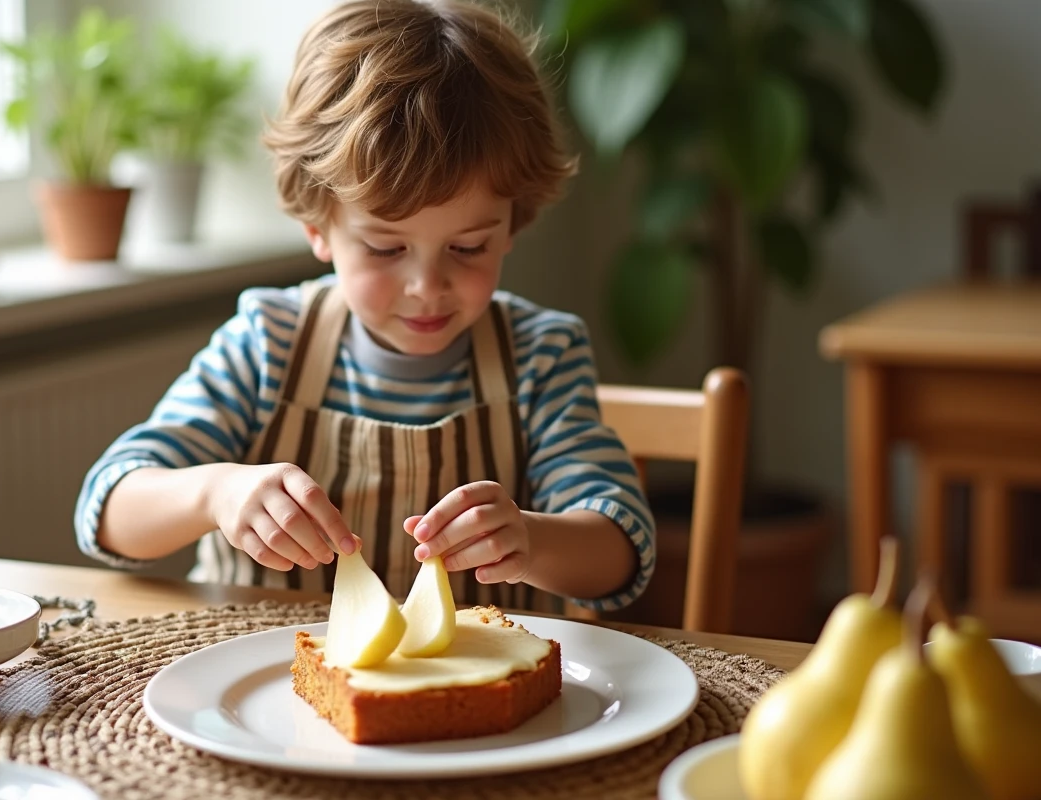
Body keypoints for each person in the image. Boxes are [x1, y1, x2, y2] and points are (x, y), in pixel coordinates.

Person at [74, 0, 654, 614]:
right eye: (384, 248)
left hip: (480, 697)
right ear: (318, 227)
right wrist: (215, 493)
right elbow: (108, 510)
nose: (427, 286)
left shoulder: (541, 355)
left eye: (468, 246)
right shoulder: (267, 343)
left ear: (515, 223)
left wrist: (533, 540)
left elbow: (620, 550)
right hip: (267, 689)